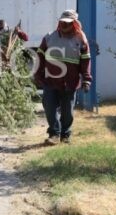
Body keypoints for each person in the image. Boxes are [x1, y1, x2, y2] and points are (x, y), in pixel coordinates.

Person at [34, 10, 92, 145]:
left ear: (74, 23)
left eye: (68, 23)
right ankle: (54, 134)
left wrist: (86, 79)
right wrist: (38, 74)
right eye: (62, 22)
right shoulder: (49, 37)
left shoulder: (81, 39)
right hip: (50, 81)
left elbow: (85, 61)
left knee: (67, 111)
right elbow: (39, 57)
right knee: (49, 107)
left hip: (70, 83)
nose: (64, 25)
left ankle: (65, 135)